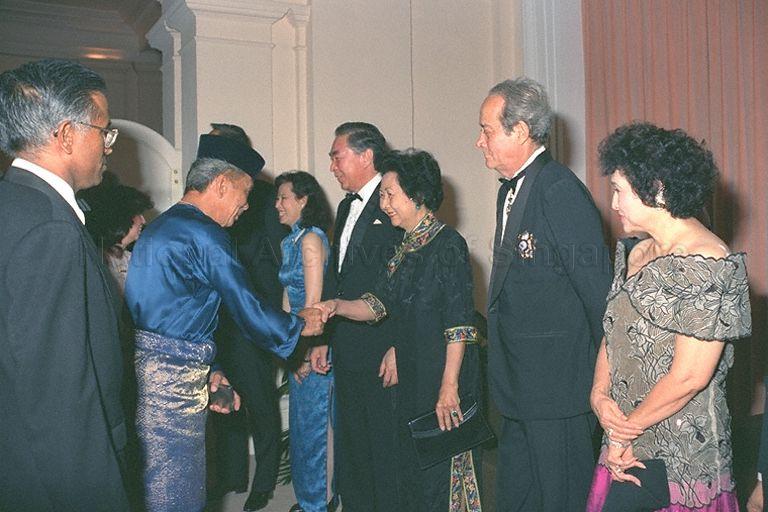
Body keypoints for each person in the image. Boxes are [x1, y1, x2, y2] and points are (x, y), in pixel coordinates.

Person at [124, 157, 324, 512]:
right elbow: (244, 304)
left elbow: (174, 312)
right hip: (175, 384)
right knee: (177, 488)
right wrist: (300, 325)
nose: (247, 206)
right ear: (221, 185)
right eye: (245, 193)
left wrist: (212, 368)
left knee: (155, 481)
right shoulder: (206, 233)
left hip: (151, 373)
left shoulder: (162, 226)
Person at [585, 122, 752, 511]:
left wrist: (624, 433)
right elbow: (613, 333)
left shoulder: (709, 261)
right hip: (625, 437)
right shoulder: (633, 252)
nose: (612, 204)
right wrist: (599, 395)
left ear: (656, 189)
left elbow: (690, 376)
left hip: (680, 451)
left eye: (618, 191)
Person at [314, 149, 482, 510]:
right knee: (413, 479)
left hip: (444, 381)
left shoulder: (448, 245)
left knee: (444, 479)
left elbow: (459, 325)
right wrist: (336, 306)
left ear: (416, 195)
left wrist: (449, 387)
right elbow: (376, 305)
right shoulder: (404, 247)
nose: (384, 204)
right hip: (413, 381)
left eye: (389, 194)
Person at [475, 77, 611, 511]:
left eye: (487, 130)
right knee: (518, 496)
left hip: (558, 390)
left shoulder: (559, 190)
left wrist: (605, 384)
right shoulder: (511, 192)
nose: (479, 141)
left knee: (563, 498)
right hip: (519, 385)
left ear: (519, 131)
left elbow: (599, 294)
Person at [0, 58, 130, 511]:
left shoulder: (14, 201)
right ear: (68, 134)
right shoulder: (48, 228)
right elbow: (60, 399)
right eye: (105, 131)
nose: (109, 146)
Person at [309, 122, 402, 511]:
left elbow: (403, 283)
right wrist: (322, 338)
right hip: (347, 344)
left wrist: (401, 344)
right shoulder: (346, 206)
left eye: (337, 155)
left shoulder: (396, 199)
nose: (332, 166)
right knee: (352, 445)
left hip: (382, 348)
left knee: (384, 447)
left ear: (366, 156)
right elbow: (337, 279)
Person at [198, 124, 287, 512]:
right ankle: (232, 476)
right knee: (224, 399)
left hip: (252, 318)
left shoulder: (263, 196)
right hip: (217, 320)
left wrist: (276, 316)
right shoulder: (207, 195)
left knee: (263, 406)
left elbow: (279, 259)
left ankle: (264, 483)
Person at [274, 171, 334, 512]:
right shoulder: (290, 240)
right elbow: (287, 300)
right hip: (297, 341)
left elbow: (312, 306)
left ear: (303, 200)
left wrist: (303, 350)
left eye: (284, 198)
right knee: (301, 426)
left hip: (313, 345)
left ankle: (318, 503)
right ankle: (310, 499)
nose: (277, 205)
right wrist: (287, 347)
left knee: (315, 429)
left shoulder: (311, 239)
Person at [81, 176, 153, 293]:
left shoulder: (129, 257)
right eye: (139, 214)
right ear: (123, 217)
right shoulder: (100, 259)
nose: (143, 220)